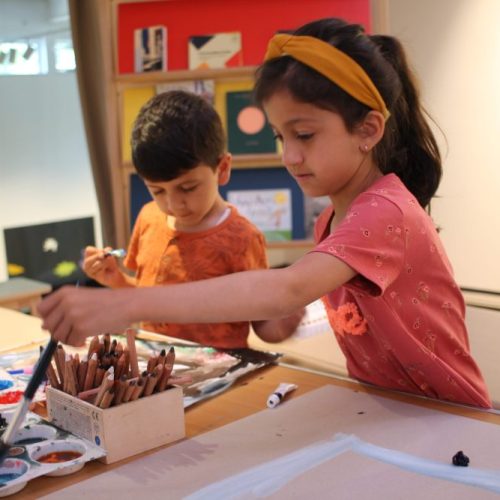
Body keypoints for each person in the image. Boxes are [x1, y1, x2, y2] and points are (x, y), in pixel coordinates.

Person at [39, 18, 491, 408]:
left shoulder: (384, 210)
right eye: (280, 137)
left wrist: (122, 301)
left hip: (445, 415)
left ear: (368, 129)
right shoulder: (331, 219)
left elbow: (286, 289)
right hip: (387, 408)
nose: (290, 156)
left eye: (305, 135)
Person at [81, 90, 302, 349]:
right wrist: (115, 280)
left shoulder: (242, 238)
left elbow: (262, 323)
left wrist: (284, 322)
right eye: (158, 191)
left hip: (221, 373)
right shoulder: (148, 217)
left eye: (187, 188)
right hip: (157, 368)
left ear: (222, 169)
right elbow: (146, 301)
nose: (173, 205)